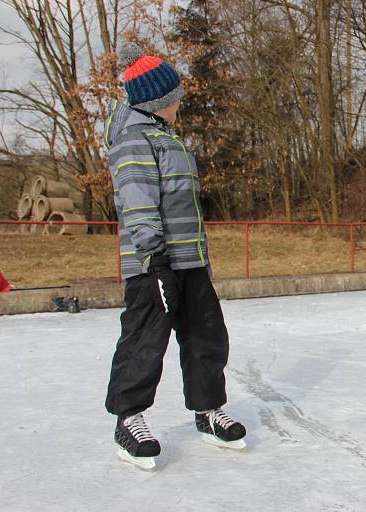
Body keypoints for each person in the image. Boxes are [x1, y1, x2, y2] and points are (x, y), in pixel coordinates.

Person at [104, 42, 245, 469]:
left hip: (190, 261)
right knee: (145, 341)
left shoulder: (166, 137)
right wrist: (155, 259)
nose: (181, 101)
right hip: (155, 265)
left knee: (206, 336)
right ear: (158, 101)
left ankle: (207, 411)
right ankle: (129, 420)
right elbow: (138, 201)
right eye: (176, 95)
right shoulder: (133, 140)